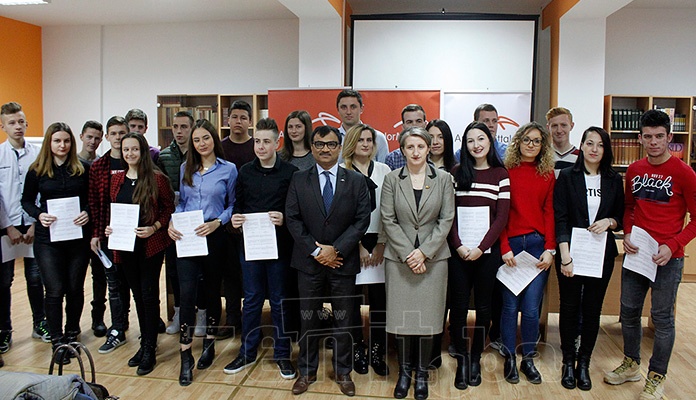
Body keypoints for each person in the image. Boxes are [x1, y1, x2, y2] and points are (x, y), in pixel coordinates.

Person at [604, 110, 696, 400]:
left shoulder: (685, 173)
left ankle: (656, 377)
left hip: (670, 257)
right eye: (648, 136)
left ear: (669, 137)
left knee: (662, 318)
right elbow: (630, 207)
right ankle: (631, 364)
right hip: (638, 253)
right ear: (640, 138)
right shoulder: (634, 170)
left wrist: (673, 244)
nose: (653, 142)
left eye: (659, 136)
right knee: (628, 312)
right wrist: (628, 233)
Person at [286, 125, 371, 397]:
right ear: (312, 148)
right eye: (320, 144)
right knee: (308, 319)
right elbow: (293, 218)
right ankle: (307, 371)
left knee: (344, 320)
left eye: (331, 144)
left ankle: (343, 372)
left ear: (339, 147)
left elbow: (362, 220)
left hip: (342, 263)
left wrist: (336, 250)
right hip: (308, 263)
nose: (325, 149)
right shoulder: (299, 179)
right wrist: (316, 251)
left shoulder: (355, 181)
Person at [381, 126, 455, 400]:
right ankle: (404, 373)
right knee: (401, 320)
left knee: (427, 320)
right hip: (399, 260)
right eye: (409, 147)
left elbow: (446, 220)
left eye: (420, 147)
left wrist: (423, 252)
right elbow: (387, 219)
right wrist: (408, 253)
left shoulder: (444, 179)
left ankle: (422, 373)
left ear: (429, 148)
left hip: (433, 260)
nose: (415, 152)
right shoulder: (391, 179)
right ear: (402, 150)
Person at [223, 118, 298, 380]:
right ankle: (247, 352)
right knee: (252, 300)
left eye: (267, 141)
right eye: (257, 141)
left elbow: (296, 211)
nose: (261, 146)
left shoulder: (290, 172)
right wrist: (235, 218)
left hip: (279, 247)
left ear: (277, 142)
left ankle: (282, 355)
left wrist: (285, 219)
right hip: (251, 247)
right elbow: (238, 206)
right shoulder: (244, 171)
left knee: (279, 302)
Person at [554, 126, 624, 391]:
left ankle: (584, 363)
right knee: (569, 308)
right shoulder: (567, 177)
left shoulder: (613, 180)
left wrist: (609, 221)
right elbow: (560, 217)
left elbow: (620, 217)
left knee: (592, 309)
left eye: (600, 145)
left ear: (605, 150)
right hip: (571, 253)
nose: (594, 149)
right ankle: (567, 362)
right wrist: (565, 256)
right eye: (590, 143)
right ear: (581, 146)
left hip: (600, 255)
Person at [167, 119, 237, 385]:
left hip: (214, 237)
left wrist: (218, 221)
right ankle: (185, 355)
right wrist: (174, 220)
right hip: (186, 237)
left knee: (210, 292)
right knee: (186, 294)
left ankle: (209, 342)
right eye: (196, 140)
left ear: (213, 139)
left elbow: (232, 205)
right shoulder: (186, 168)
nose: (201, 144)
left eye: (205, 138)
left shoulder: (228, 170)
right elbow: (182, 202)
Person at [105, 132, 174, 376]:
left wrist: (154, 227)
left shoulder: (157, 179)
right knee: (136, 295)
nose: (130, 154)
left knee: (148, 295)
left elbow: (168, 210)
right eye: (126, 150)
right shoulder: (117, 180)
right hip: (125, 247)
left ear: (143, 151)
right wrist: (110, 227)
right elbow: (112, 209)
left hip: (150, 246)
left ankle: (149, 348)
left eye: (135, 149)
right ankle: (145, 342)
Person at [21, 122, 91, 364]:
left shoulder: (83, 168)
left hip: (77, 238)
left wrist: (87, 212)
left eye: (67, 141)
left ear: (72, 143)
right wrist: (39, 214)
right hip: (47, 239)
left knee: (74, 288)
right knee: (54, 290)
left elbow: (93, 200)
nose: (62, 145)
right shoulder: (37, 170)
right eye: (57, 141)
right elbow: (26, 201)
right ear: (49, 143)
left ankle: (72, 334)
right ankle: (57, 341)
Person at [448, 122, 510, 390]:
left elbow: (501, 218)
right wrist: (459, 246)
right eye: (471, 140)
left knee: (484, 308)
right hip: (459, 253)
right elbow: (448, 215)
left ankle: (475, 358)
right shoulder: (456, 172)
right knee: (459, 308)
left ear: (489, 141)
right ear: (465, 145)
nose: (476, 145)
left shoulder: (500, 174)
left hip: (487, 253)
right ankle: (461, 359)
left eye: (481, 139)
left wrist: (481, 247)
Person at [499, 121, 555, 385]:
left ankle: (528, 359)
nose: (531, 145)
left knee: (531, 309)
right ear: (518, 142)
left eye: (536, 141)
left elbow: (550, 212)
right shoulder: (506, 171)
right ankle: (509, 356)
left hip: (536, 247)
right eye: (526, 140)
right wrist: (503, 247)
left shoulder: (548, 175)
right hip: (511, 246)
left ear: (543, 145)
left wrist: (550, 249)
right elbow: (500, 215)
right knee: (510, 307)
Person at [341, 123, 391, 376]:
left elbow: (389, 211)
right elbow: (342, 215)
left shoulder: (385, 170)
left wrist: (381, 242)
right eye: (360, 140)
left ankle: (377, 350)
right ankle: (357, 349)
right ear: (351, 142)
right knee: (351, 302)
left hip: (381, 242)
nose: (365, 144)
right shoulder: (341, 171)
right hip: (352, 244)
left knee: (380, 303)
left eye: (370, 140)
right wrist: (358, 244)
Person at [0, 101, 49, 353]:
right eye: (11, 123)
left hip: (33, 225)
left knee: (34, 277)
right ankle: (4, 330)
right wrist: (8, 226)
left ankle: (39, 323)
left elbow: (39, 192)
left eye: (20, 121)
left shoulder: (38, 154)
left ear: (26, 123)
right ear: (3, 126)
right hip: (6, 228)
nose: (17, 126)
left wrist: (33, 222)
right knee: (4, 281)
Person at [157, 111, 207, 336]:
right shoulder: (164, 156)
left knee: (200, 273)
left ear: (192, 128)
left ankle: (201, 312)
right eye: (175, 127)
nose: (179, 131)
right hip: (174, 221)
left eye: (184, 127)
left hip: (199, 221)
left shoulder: (200, 155)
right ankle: (178, 313)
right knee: (175, 272)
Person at [89, 116, 132, 354]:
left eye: (121, 133)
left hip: (133, 235)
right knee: (113, 284)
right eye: (113, 133)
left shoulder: (135, 162)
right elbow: (95, 203)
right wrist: (96, 234)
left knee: (133, 282)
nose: (117, 137)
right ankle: (118, 328)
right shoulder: (98, 166)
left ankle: (141, 326)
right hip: (107, 235)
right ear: (107, 137)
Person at [218, 100, 255, 339]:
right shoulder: (220, 148)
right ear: (227, 120)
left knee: (251, 274)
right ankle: (232, 318)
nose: (238, 121)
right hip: (226, 222)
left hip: (254, 223)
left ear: (250, 122)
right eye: (234, 117)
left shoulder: (256, 146)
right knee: (230, 274)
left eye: (243, 117)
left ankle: (253, 318)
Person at [76, 120, 108, 337]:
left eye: (97, 138)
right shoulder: (72, 164)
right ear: (81, 137)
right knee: (76, 277)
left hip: (96, 225)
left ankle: (98, 318)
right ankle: (73, 322)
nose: (93, 141)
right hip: (75, 229)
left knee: (100, 275)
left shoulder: (100, 165)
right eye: (89, 137)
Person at [336, 89, 390, 163]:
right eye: (344, 107)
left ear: (361, 109)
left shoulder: (378, 137)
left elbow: (383, 171)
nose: (348, 112)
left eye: (353, 107)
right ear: (338, 110)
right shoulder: (333, 138)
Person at [385, 104, 428, 170]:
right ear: (403, 126)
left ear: (425, 124)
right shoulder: (392, 158)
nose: (414, 125)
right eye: (409, 122)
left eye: (418, 121)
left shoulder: (433, 153)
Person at [547, 107, 580, 175]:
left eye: (563, 125)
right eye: (554, 126)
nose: (559, 130)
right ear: (548, 127)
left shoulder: (580, 157)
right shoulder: (542, 156)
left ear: (571, 126)